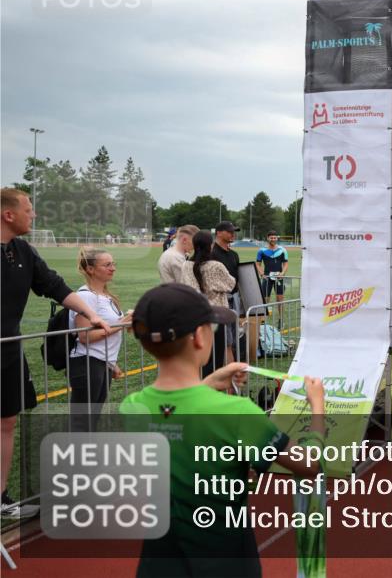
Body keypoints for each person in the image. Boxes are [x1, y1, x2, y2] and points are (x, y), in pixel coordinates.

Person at [123, 283, 326, 578]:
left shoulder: (132, 407)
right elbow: (309, 465)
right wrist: (317, 406)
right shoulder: (236, 412)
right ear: (198, 337)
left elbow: (175, 414)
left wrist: (207, 383)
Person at [0, 188, 111, 518]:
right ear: (9, 215)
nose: (33, 215)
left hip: (8, 352)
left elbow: (54, 286)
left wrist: (91, 315)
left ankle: (1, 499)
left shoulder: (23, 250)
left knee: (6, 422)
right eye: (29, 209)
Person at [69, 248, 133, 432]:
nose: (113, 268)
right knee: (82, 420)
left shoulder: (106, 297)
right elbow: (84, 336)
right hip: (87, 363)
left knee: (92, 418)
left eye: (113, 264)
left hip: (101, 363)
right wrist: (121, 324)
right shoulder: (85, 296)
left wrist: (112, 363)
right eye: (107, 265)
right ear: (90, 269)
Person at [180, 230, 235, 377]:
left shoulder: (186, 265)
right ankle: (211, 391)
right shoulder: (215, 266)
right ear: (210, 246)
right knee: (215, 361)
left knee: (198, 359)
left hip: (196, 317)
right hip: (217, 317)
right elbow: (231, 284)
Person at [211, 221, 241, 362]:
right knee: (224, 338)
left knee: (233, 337)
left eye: (233, 231)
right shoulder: (212, 253)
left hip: (233, 297)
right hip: (218, 299)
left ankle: (230, 364)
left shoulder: (234, 254)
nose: (232, 234)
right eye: (229, 231)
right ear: (218, 233)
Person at [256, 231, 289, 302]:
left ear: (277, 238)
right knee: (265, 299)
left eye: (275, 238)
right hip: (267, 277)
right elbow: (258, 264)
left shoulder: (283, 250)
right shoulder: (261, 251)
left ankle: (281, 314)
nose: (273, 239)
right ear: (268, 238)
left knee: (280, 299)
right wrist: (262, 274)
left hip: (279, 277)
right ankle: (266, 313)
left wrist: (282, 273)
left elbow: (286, 264)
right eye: (271, 238)